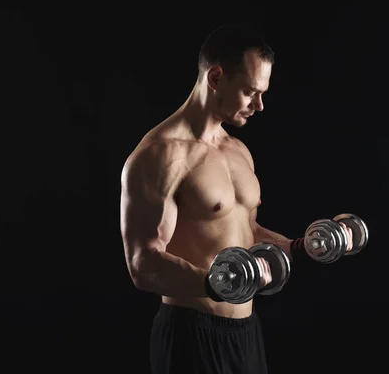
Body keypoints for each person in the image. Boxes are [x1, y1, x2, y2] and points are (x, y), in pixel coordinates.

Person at [120, 23, 353, 374]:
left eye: (263, 93)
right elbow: (143, 263)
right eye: (249, 91)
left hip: (245, 332)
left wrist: (305, 247)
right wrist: (217, 284)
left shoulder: (237, 151)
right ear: (215, 78)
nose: (259, 105)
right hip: (190, 334)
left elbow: (244, 232)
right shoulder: (160, 155)